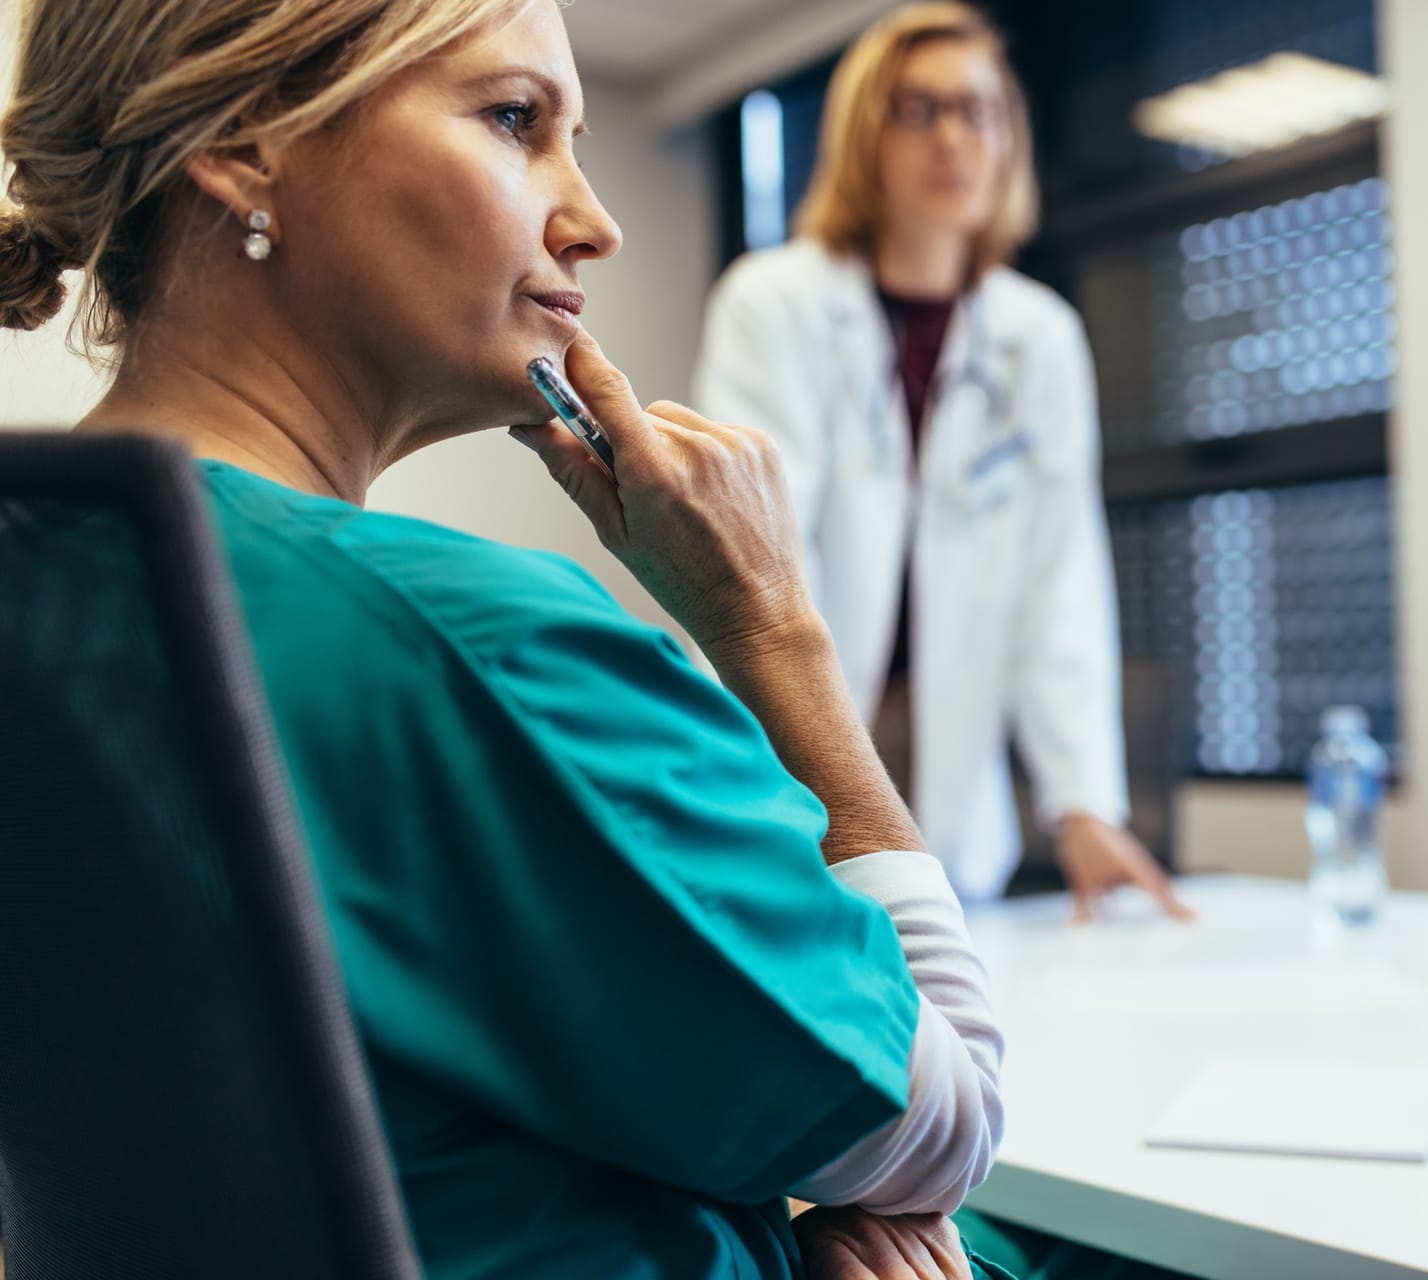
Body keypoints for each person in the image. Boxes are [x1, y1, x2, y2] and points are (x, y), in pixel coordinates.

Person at [0, 1, 1011, 1276]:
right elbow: (949, 1117)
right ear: (246, 141)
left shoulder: (39, 566)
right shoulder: (476, 646)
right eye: (517, 120)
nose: (595, 221)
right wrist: (772, 627)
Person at [693, 4, 1190, 920]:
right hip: (808, 723)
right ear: (862, 134)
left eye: (980, 110)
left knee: (968, 1010)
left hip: (954, 762)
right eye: (918, 110)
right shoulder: (773, 305)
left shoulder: (1037, 337)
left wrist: (1084, 805)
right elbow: (747, 543)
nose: (953, 138)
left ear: (1009, 137)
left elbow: (1059, 576)